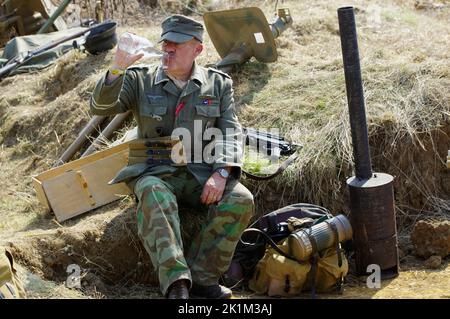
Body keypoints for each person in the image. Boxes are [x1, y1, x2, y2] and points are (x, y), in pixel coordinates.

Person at [90, 15, 254, 299]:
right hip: (156, 171)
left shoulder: (217, 84)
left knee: (241, 199)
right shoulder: (139, 79)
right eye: (166, 42)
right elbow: (100, 106)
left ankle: (203, 278)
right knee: (154, 193)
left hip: (201, 172)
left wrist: (222, 172)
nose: (169, 49)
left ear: (197, 49)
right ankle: (177, 284)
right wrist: (117, 69)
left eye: (177, 44)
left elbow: (230, 132)